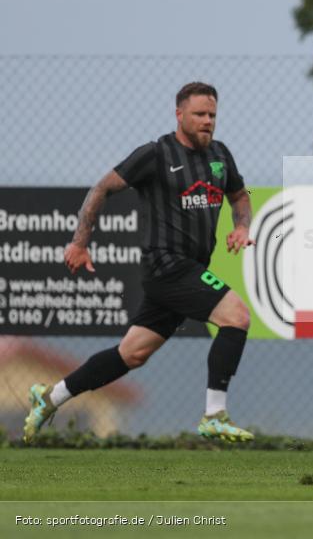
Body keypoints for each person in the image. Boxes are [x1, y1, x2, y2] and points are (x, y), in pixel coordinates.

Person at [24, 82, 256, 443]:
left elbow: (239, 195)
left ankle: (51, 396)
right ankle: (214, 414)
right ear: (179, 114)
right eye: (199, 114)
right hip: (167, 267)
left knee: (131, 354)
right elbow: (101, 188)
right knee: (237, 316)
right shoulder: (156, 154)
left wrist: (242, 226)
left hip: (186, 270)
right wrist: (79, 242)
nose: (207, 121)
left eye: (212, 115)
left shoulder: (220, 155)